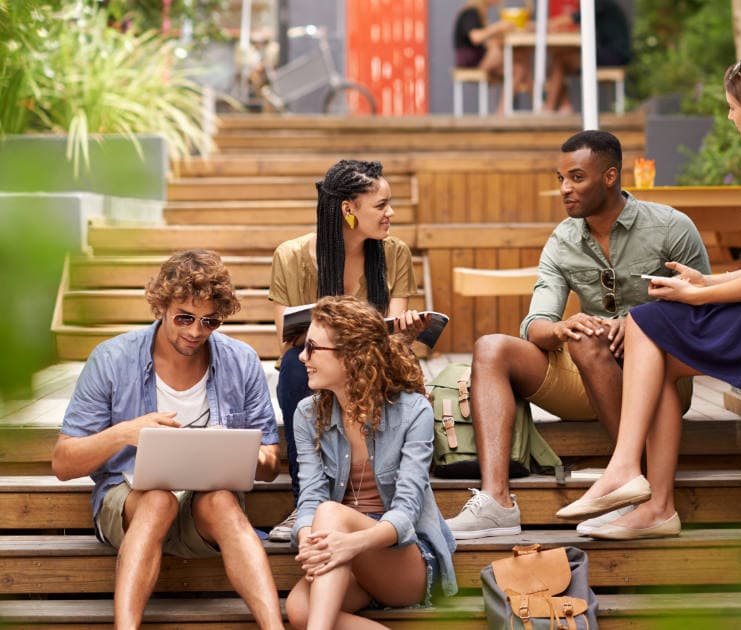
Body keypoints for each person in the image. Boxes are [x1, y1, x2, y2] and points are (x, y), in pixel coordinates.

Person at [556, 54, 741, 540]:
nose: (729, 116)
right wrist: (705, 283)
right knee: (655, 347)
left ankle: (626, 473)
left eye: (732, 107)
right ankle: (657, 506)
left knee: (646, 322)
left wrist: (700, 298)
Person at [445, 129, 710, 540]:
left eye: (576, 178)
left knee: (601, 341)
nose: (565, 189)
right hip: (586, 376)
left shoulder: (671, 227)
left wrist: (642, 321)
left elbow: (704, 309)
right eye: (561, 180)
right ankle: (496, 502)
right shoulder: (563, 240)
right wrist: (559, 327)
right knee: (493, 348)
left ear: (609, 176)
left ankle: (637, 490)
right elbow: (534, 324)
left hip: (661, 382)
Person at [51, 250, 284, 629]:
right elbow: (63, 463)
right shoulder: (112, 358)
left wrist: (255, 457)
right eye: (185, 318)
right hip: (129, 506)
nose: (195, 331)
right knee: (157, 501)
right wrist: (125, 432)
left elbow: (272, 466)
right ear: (161, 305)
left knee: (224, 501)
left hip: (205, 512)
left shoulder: (241, 361)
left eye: (210, 322)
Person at [268, 159, 424, 541]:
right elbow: (288, 336)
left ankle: (391, 493)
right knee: (292, 364)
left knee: (406, 361)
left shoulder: (394, 253)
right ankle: (303, 503)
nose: (391, 213)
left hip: (375, 365)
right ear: (348, 210)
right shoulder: (291, 255)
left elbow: (391, 340)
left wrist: (406, 331)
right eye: (381, 205)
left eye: (390, 203)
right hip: (319, 363)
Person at [284, 296, 457, 629]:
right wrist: (308, 538)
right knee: (299, 610)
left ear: (352, 357)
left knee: (331, 514)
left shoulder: (412, 411)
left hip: (404, 557)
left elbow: (407, 511)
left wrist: (350, 544)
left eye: (312, 348)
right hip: (342, 557)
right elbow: (310, 496)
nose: (302, 357)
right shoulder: (307, 414)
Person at [544, 0, 631, 114]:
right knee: (560, 60)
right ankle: (563, 106)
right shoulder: (602, 5)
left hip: (615, 55)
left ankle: (551, 106)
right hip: (610, 53)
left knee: (561, 59)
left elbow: (574, 18)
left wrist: (543, 26)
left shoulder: (599, 4)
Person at [453, 0, 532, 113]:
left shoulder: (479, 13)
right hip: (471, 60)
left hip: (480, 58)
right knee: (515, 56)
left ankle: (502, 112)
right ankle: (540, 101)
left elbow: (486, 41)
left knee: (519, 68)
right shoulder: (471, 12)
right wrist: (498, 27)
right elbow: (476, 37)